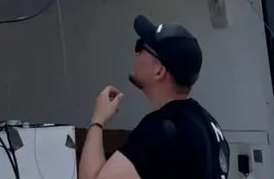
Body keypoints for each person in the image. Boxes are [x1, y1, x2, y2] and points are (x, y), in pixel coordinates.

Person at [78, 15, 231, 179]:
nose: (136, 54)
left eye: (141, 48)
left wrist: (97, 120)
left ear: (159, 71)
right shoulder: (210, 126)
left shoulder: (160, 131)